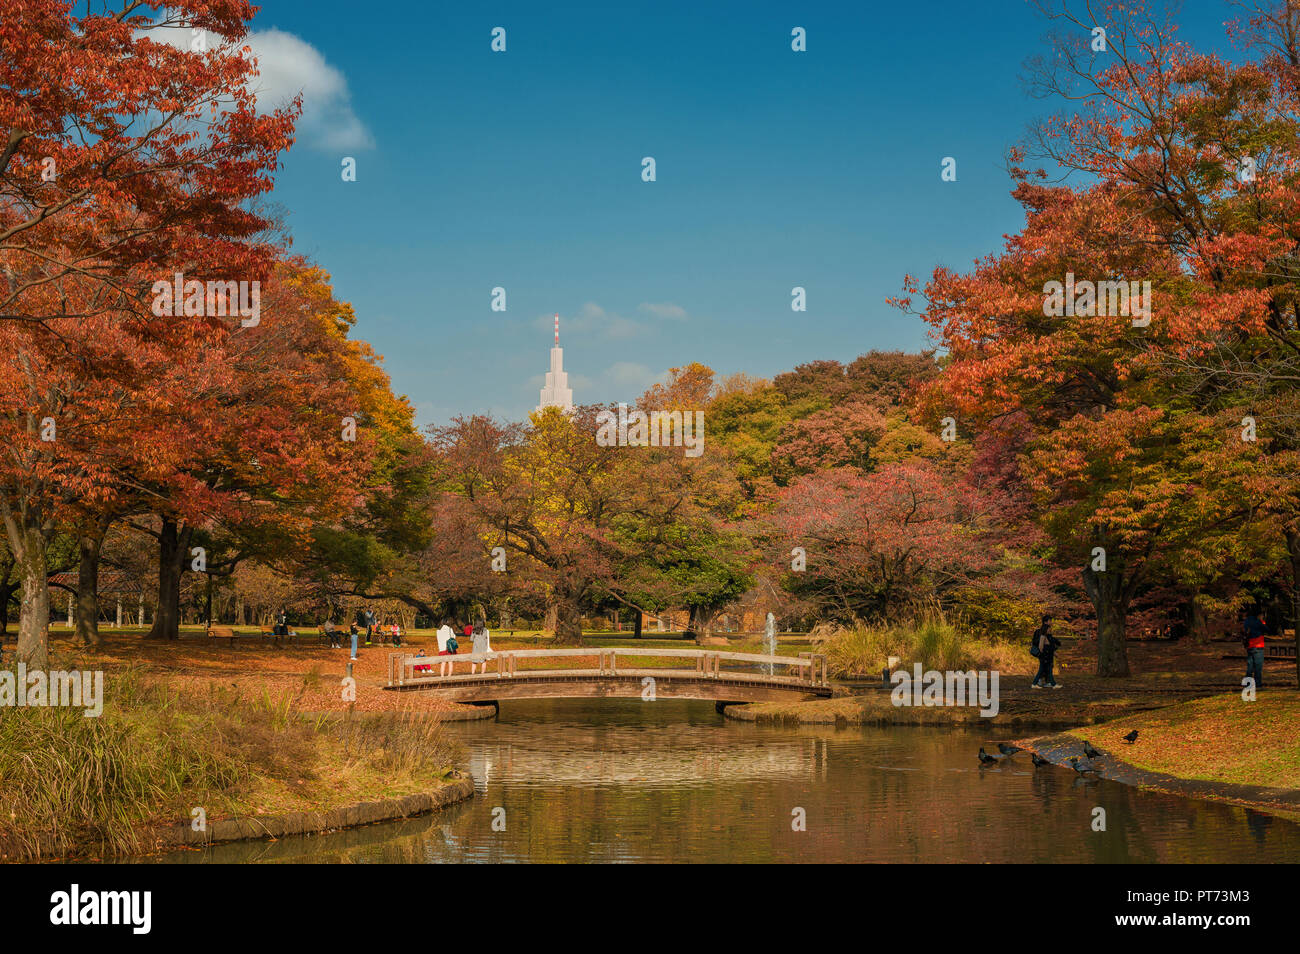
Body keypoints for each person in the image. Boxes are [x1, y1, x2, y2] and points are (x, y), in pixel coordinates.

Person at [1030, 614, 1062, 689]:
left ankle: (1050, 683)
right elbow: (1041, 647)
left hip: (1047, 656)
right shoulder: (1042, 635)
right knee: (1043, 670)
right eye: (1049, 629)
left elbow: (1050, 646)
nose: (1050, 630)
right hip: (1044, 656)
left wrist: (1054, 653)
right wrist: (1043, 655)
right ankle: (1038, 683)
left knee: (1048, 670)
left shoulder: (1047, 636)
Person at [1242, 608, 1267, 690]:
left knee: (1250, 666)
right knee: (1258, 667)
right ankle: (1258, 683)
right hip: (1258, 646)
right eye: (1262, 615)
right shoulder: (1259, 622)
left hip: (1249, 646)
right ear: (1259, 615)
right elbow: (1266, 629)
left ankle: (1247, 683)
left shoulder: (1247, 621)